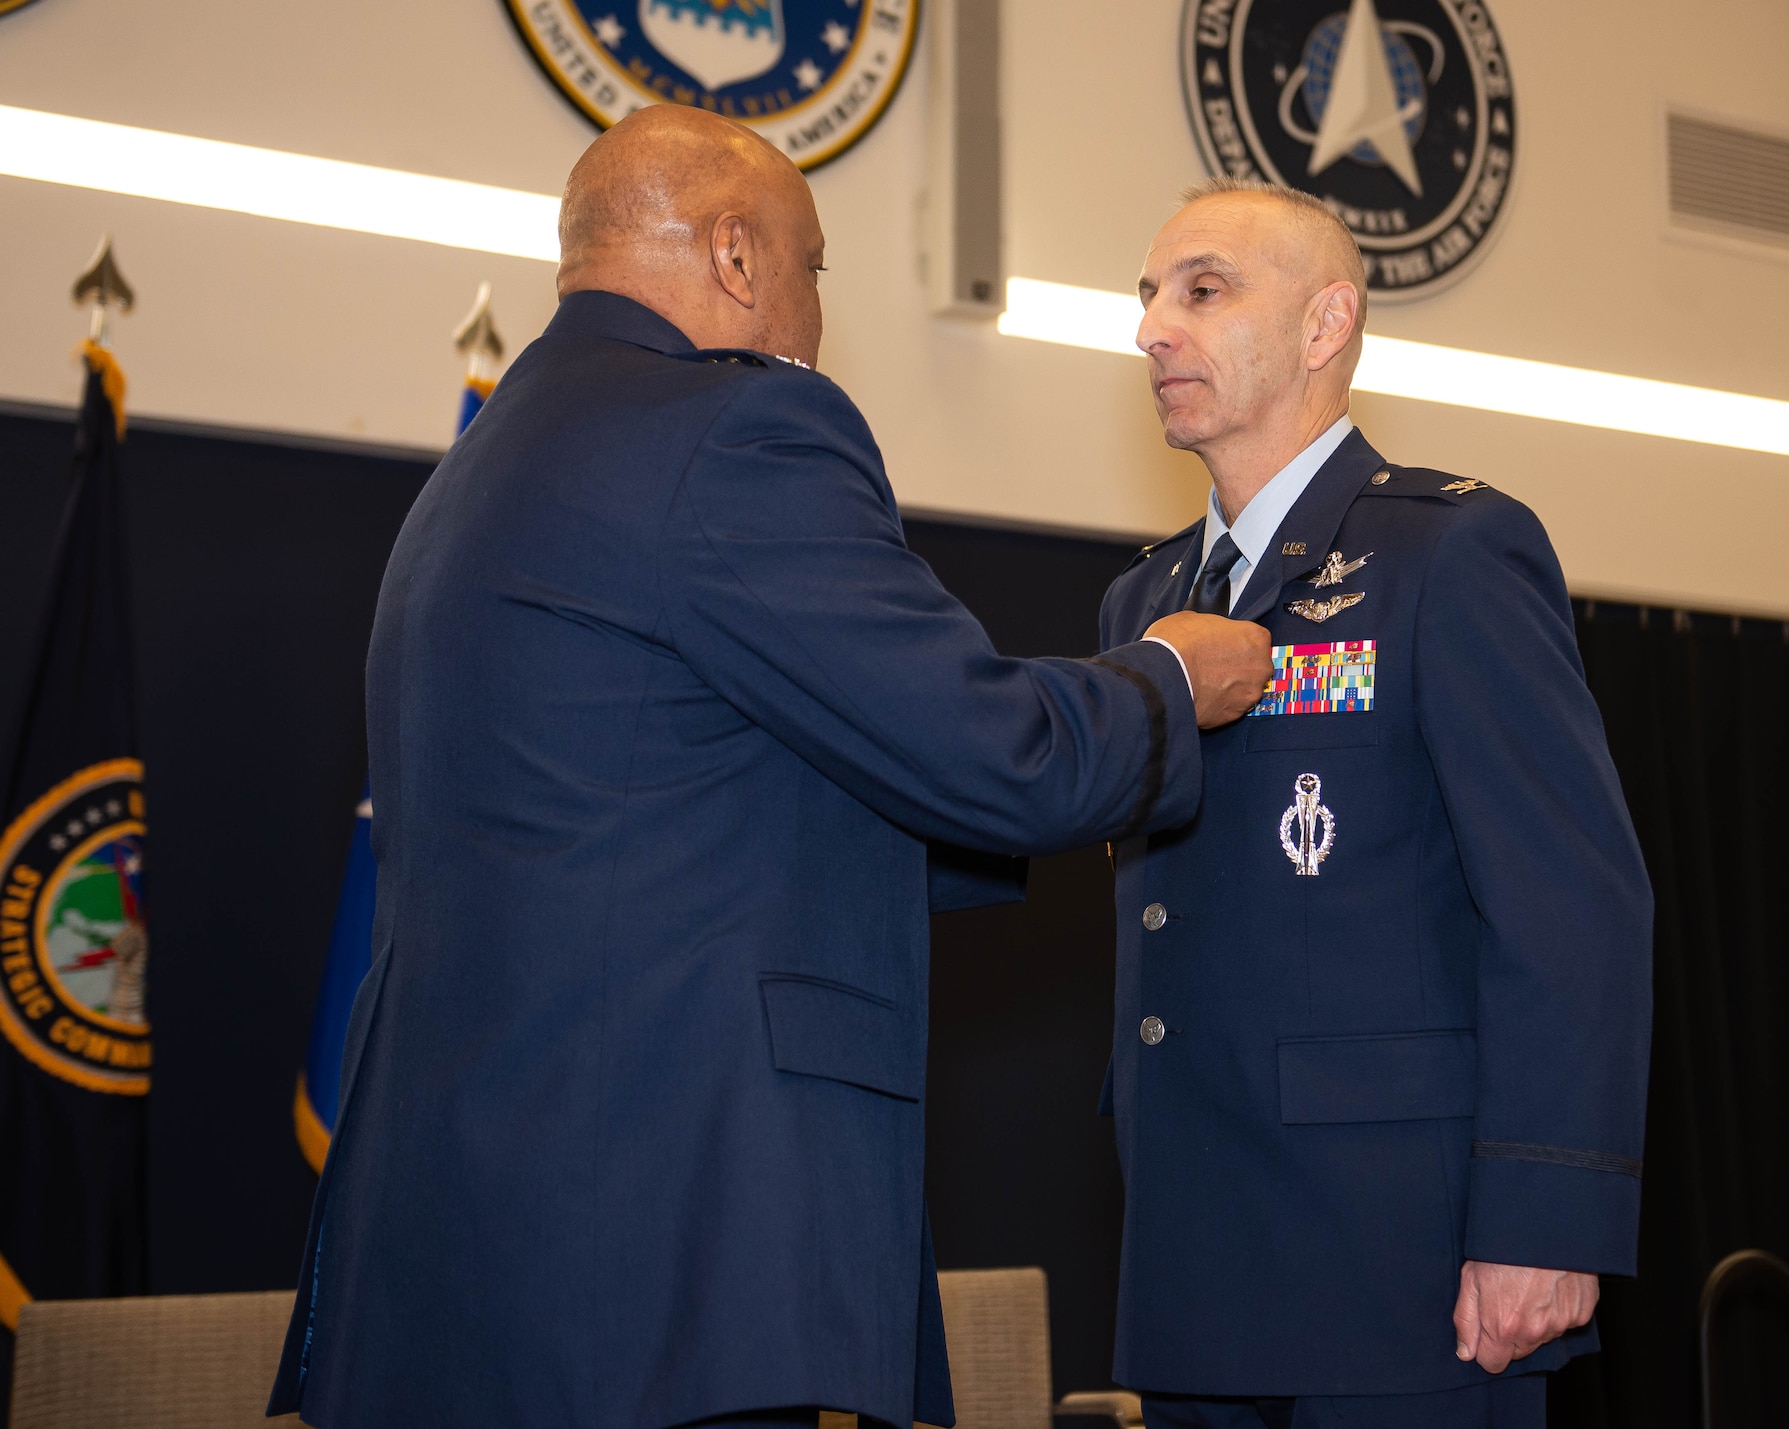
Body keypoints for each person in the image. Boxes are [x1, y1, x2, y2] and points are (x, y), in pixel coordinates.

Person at [267, 110, 1271, 1429]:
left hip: (467, 1256)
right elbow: (991, 750)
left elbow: (673, 804)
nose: (812, 313)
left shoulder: (482, 468)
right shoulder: (738, 429)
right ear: (736, 257)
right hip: (659, 1263)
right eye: (812, 266)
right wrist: (1164, 682)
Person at [1094, 178, 1654, 1429]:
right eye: (1145, 299)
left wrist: (1543, 1216)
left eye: (1200, 290)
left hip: (1402, 1261)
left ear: (1322, 324)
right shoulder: (1140, 603)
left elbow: (1570, 906)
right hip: (1192, 1243)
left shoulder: (1449, 552)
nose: (1151, 332)